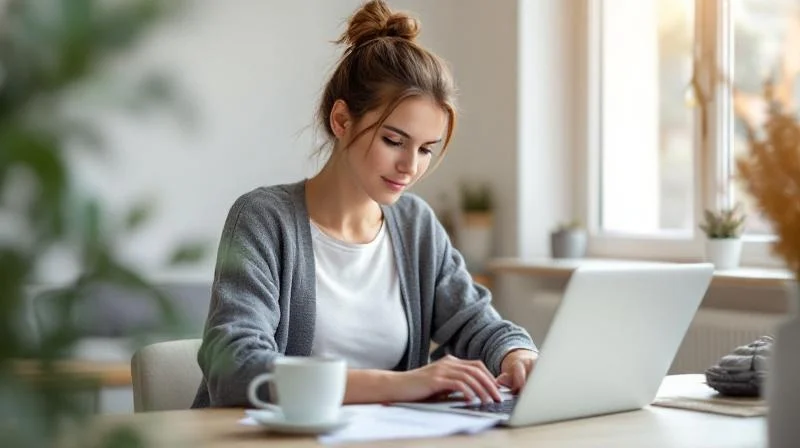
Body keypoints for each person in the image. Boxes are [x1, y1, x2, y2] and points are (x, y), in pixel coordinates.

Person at [191, 0, 537, 408]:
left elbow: (476, 322)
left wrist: (518, 354)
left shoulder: (416, 225)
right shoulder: (264, 220)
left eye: (426, 149)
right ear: (341, 120)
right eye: (394, 140)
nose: (410, 166)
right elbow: (235, 370)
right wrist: (402, 384)